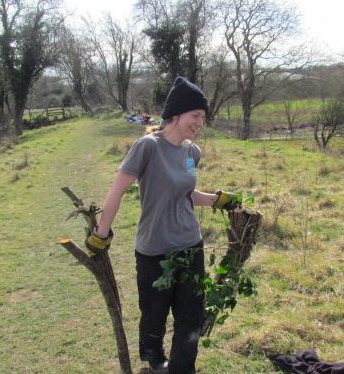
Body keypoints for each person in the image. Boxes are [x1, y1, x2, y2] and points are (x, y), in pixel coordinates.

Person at [85, 76, 240, 374]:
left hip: (190, 245)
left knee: (190, 316)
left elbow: (185, 191)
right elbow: (117, 190)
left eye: (203, 117)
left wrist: (218, 200)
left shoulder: (191, 152)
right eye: (196, 115)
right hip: (154, 249)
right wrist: (101, 232)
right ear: (176, 114)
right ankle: (154, 361)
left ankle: (182, 369)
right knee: (154, 313)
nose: (200, 123)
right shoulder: (148, 147)